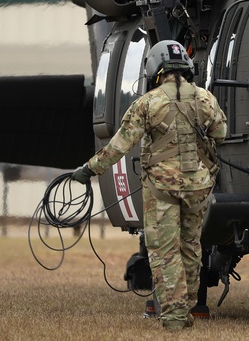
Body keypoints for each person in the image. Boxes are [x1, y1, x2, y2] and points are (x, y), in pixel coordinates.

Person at [71, 39, 228, 331]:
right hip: (197, 189)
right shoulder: (205, 98)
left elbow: (119, 145)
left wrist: (89, 170)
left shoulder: (148, 103)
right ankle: (188, 304)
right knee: (191, 247)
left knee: (165, 251)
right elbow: (221, 132)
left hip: (163, 190)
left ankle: (174, 316)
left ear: (155, 68)